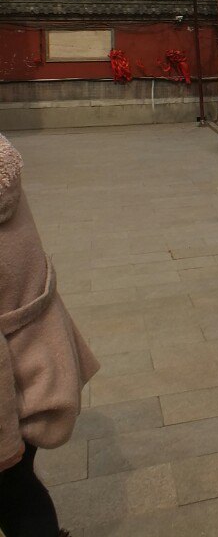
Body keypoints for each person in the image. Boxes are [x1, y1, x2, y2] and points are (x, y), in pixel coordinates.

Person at [0, 133, 98, 537]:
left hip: (10, 393)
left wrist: (3, 445)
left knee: (16, 496)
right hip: (40, 363)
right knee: (19, 496)